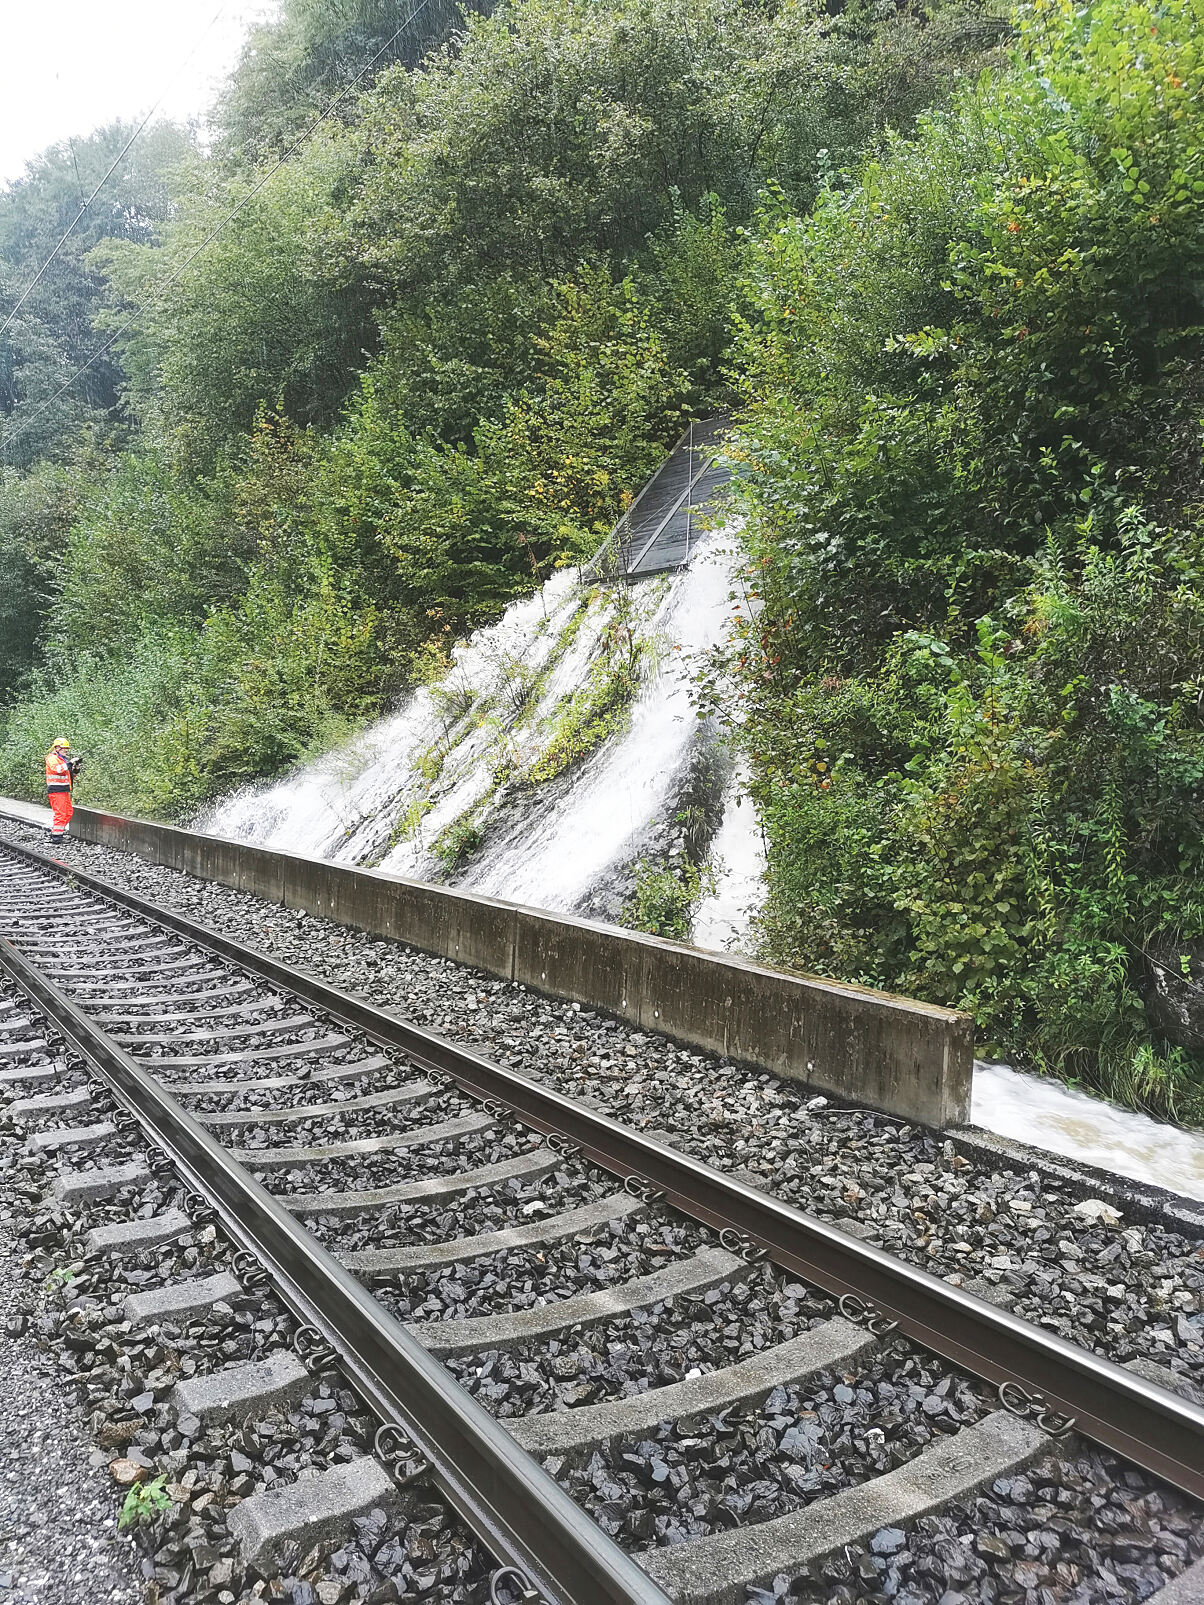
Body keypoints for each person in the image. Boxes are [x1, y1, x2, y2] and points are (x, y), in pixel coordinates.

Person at [44, 737, 77, 845]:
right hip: (56, 790)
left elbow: (68, 775)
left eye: (66, 749)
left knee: (68, 813)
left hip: (63, 790)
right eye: (64, 749)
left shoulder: (62, 760)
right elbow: (57, 770)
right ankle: (57, 837)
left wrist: (75, 770)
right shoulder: (52, 758)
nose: (66, 751)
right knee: (61, 813)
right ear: (57, 748)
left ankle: (57, 832)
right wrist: (70, 764)